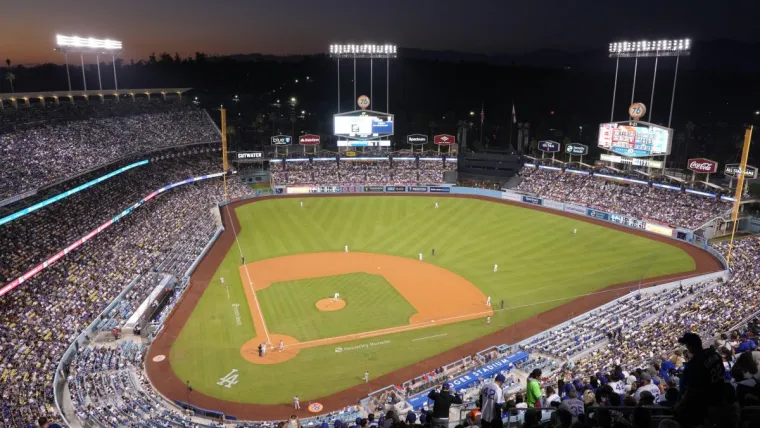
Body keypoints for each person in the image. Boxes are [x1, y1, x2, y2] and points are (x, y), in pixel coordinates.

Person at [675, 332, 725, 427]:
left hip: (707, 403)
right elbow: (722, 371)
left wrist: (680, 405)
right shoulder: (713, 353)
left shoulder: (694, 363)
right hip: (721, 393)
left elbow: (692, 390)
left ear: (690, 347)